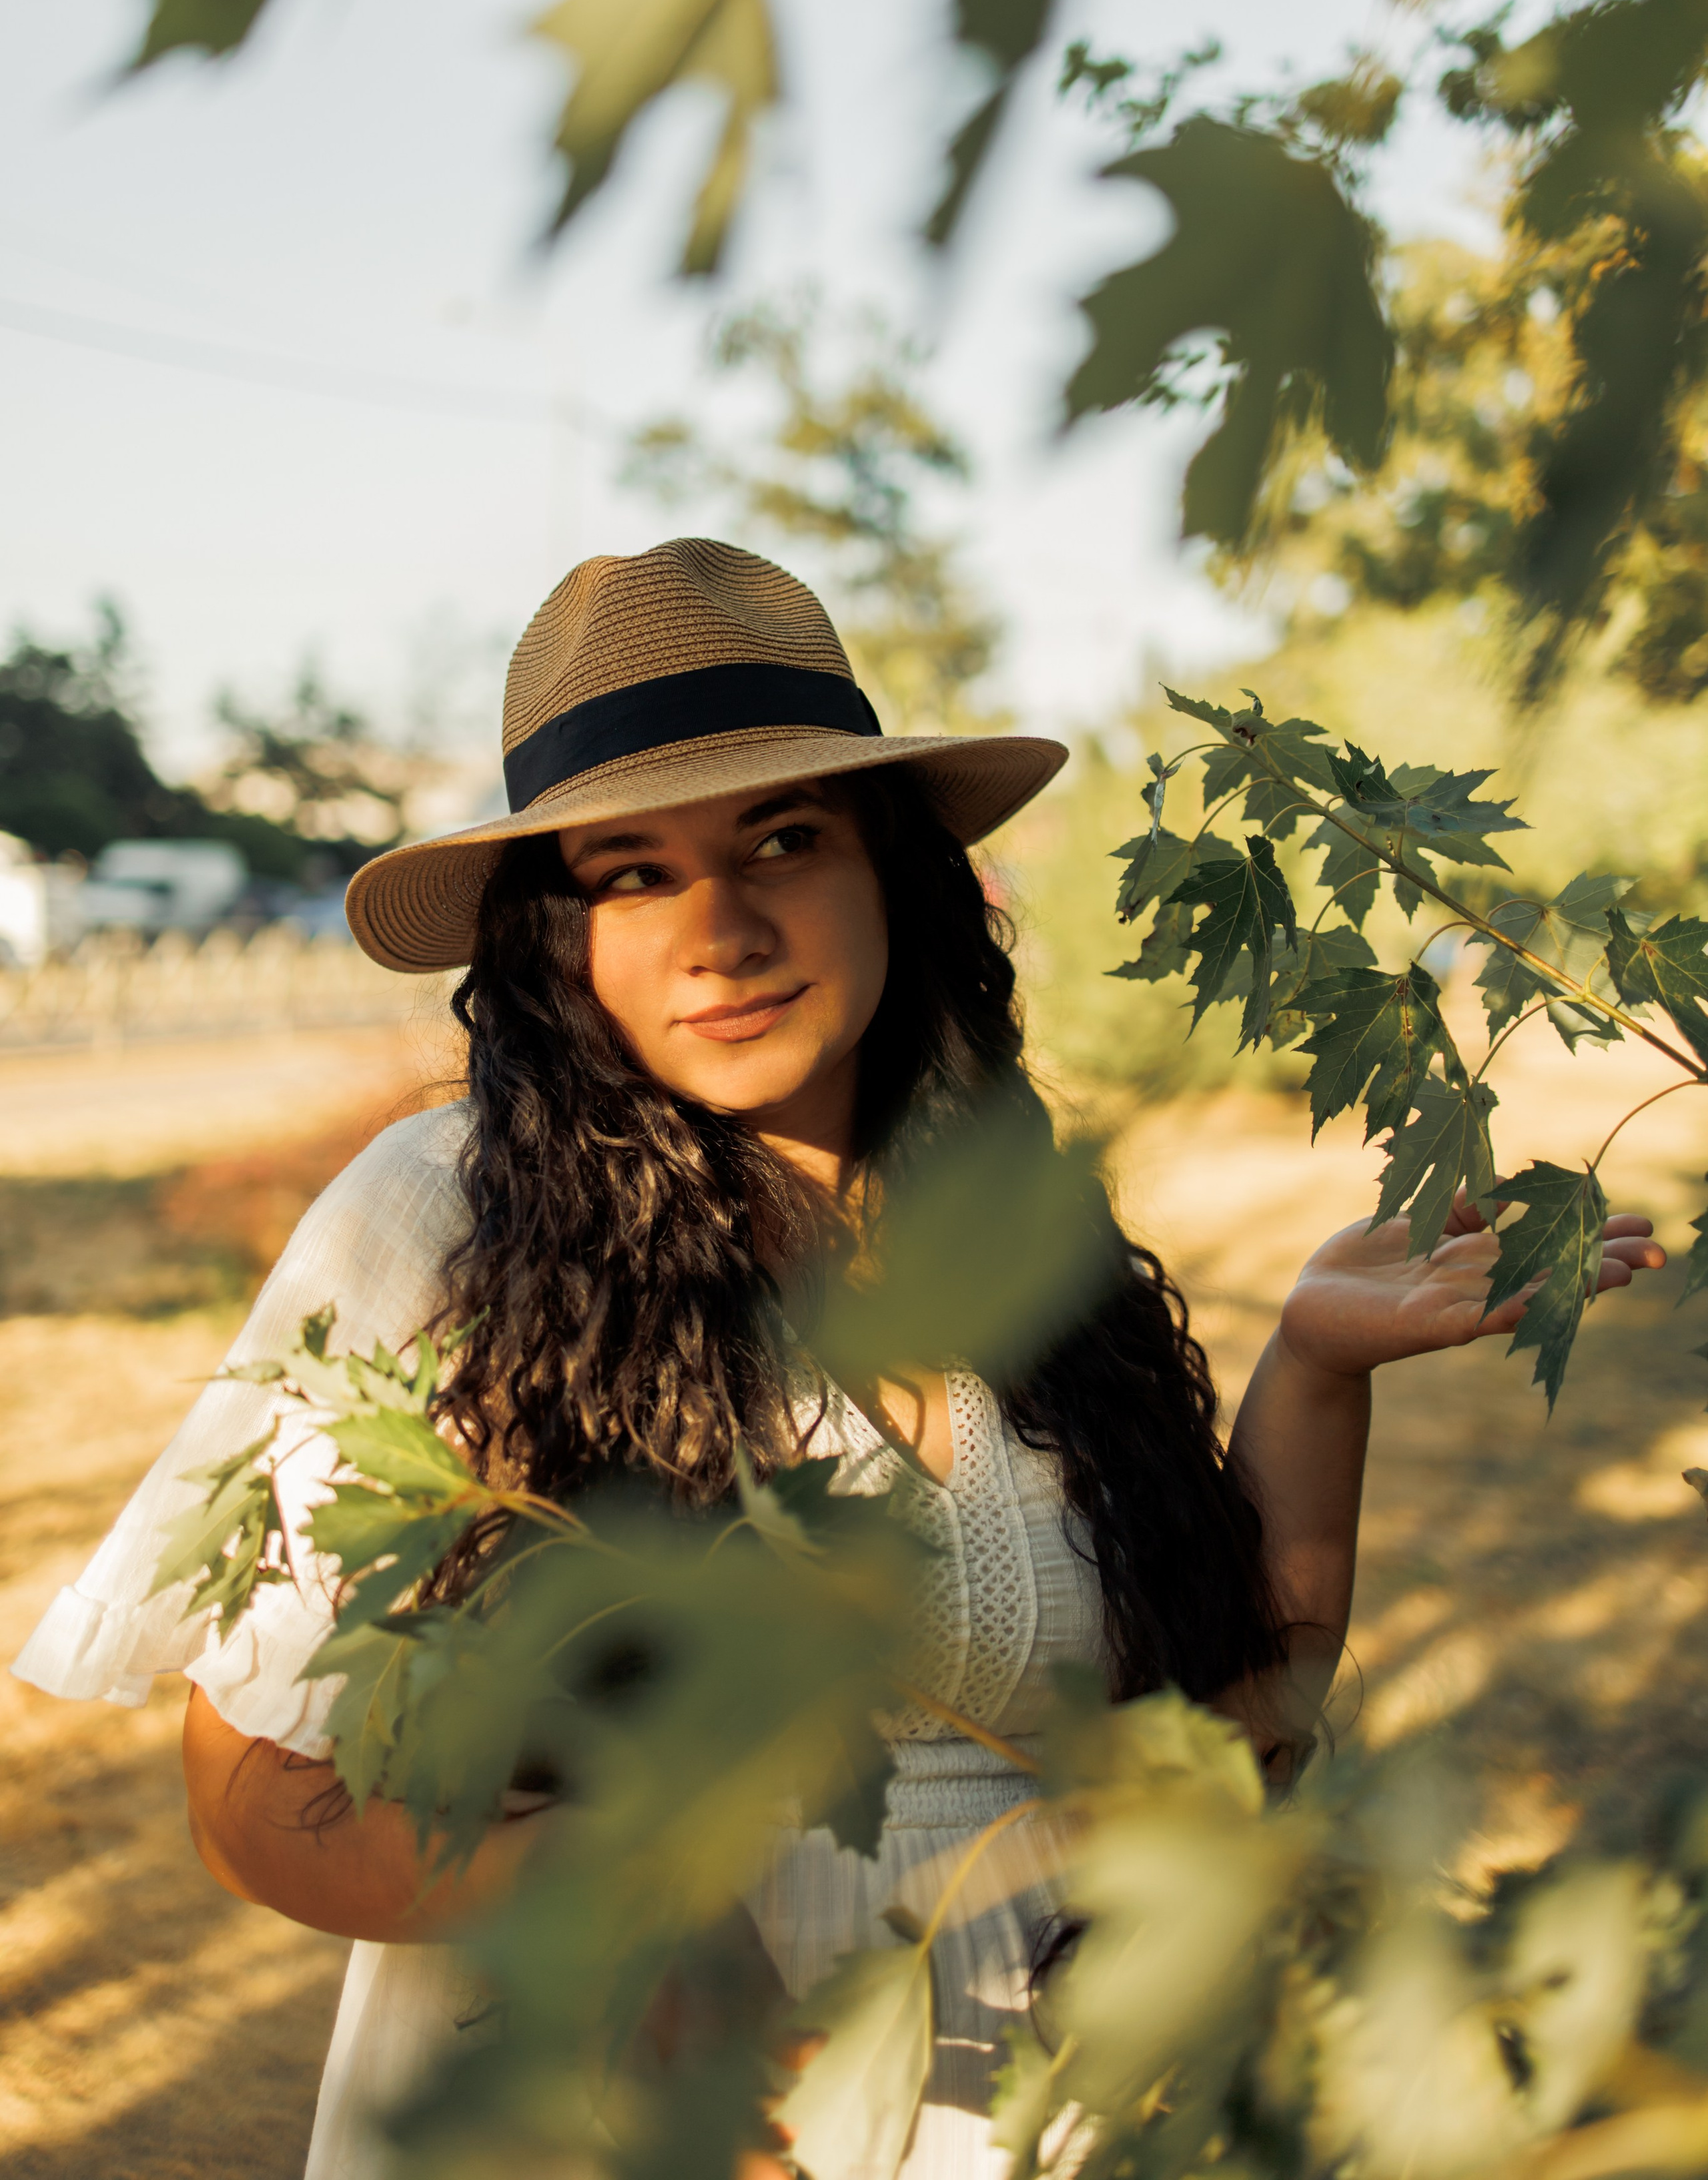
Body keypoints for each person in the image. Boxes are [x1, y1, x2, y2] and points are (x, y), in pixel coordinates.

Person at [12, 538, 1665, 2180]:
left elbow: (1234, 1744)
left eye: (781, 840)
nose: (719, 930)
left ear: (894, 874)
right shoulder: (440, 1221)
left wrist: (1312, 1371)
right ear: (552, 939)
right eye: (630, 872)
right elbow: (248, 1798)